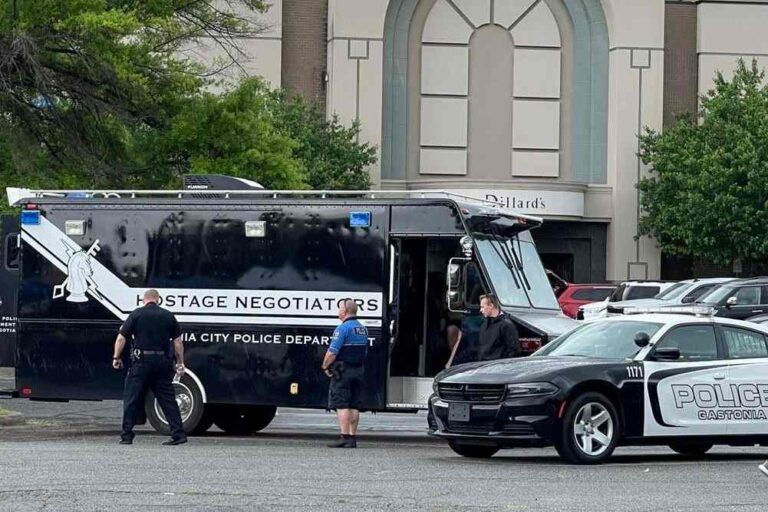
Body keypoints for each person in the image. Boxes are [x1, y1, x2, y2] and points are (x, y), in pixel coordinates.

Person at [112, 289, 187, 446]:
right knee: (167, 399)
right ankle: (178, 434)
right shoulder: (168, 315)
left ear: (143, 300)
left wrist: (116, 357)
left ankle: (127, 435)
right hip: (162, 362)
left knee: (132, 398)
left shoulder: (136, 314)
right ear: (158, 299)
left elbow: (121, 338)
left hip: (142, 362)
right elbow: (178, 342)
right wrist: (180, 362)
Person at [321, 299, 369, 448]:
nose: (338, 311)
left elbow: (332, 352)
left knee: (342, 404)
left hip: (344, 371)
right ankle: (352, 437)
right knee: (354, 405)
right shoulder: (362, 329)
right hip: (359, 370)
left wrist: (325, 366)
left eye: (340, 308)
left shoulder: (342, 329)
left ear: (345, 311)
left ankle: (344, 437)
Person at [477, 293, 520, 361]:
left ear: (491, 305)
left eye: (483, 307)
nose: (480, 310)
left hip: (498, 367)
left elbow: (514, 350)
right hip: (483, 366)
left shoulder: (506, 325)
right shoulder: (484, 325)